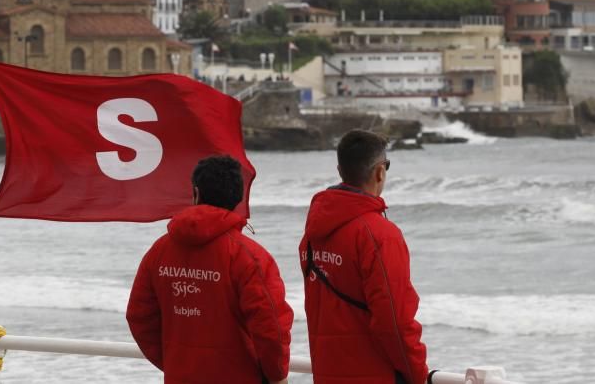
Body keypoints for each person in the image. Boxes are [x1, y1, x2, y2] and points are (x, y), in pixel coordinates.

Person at [127, 155, 293, 383]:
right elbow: (271, 327)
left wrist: (175, 361)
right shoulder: (249, 256)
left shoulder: (159, 251)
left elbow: (139, 317)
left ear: (196, 193)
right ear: (238, 198)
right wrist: (276, 376)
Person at [299, 130, 429, 384]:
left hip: (328, 372)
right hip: (374, 375)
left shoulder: (313, 232)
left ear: (340, 171)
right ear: (380, 171)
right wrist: (417, 374)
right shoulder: (379, 234)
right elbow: (394, 319)